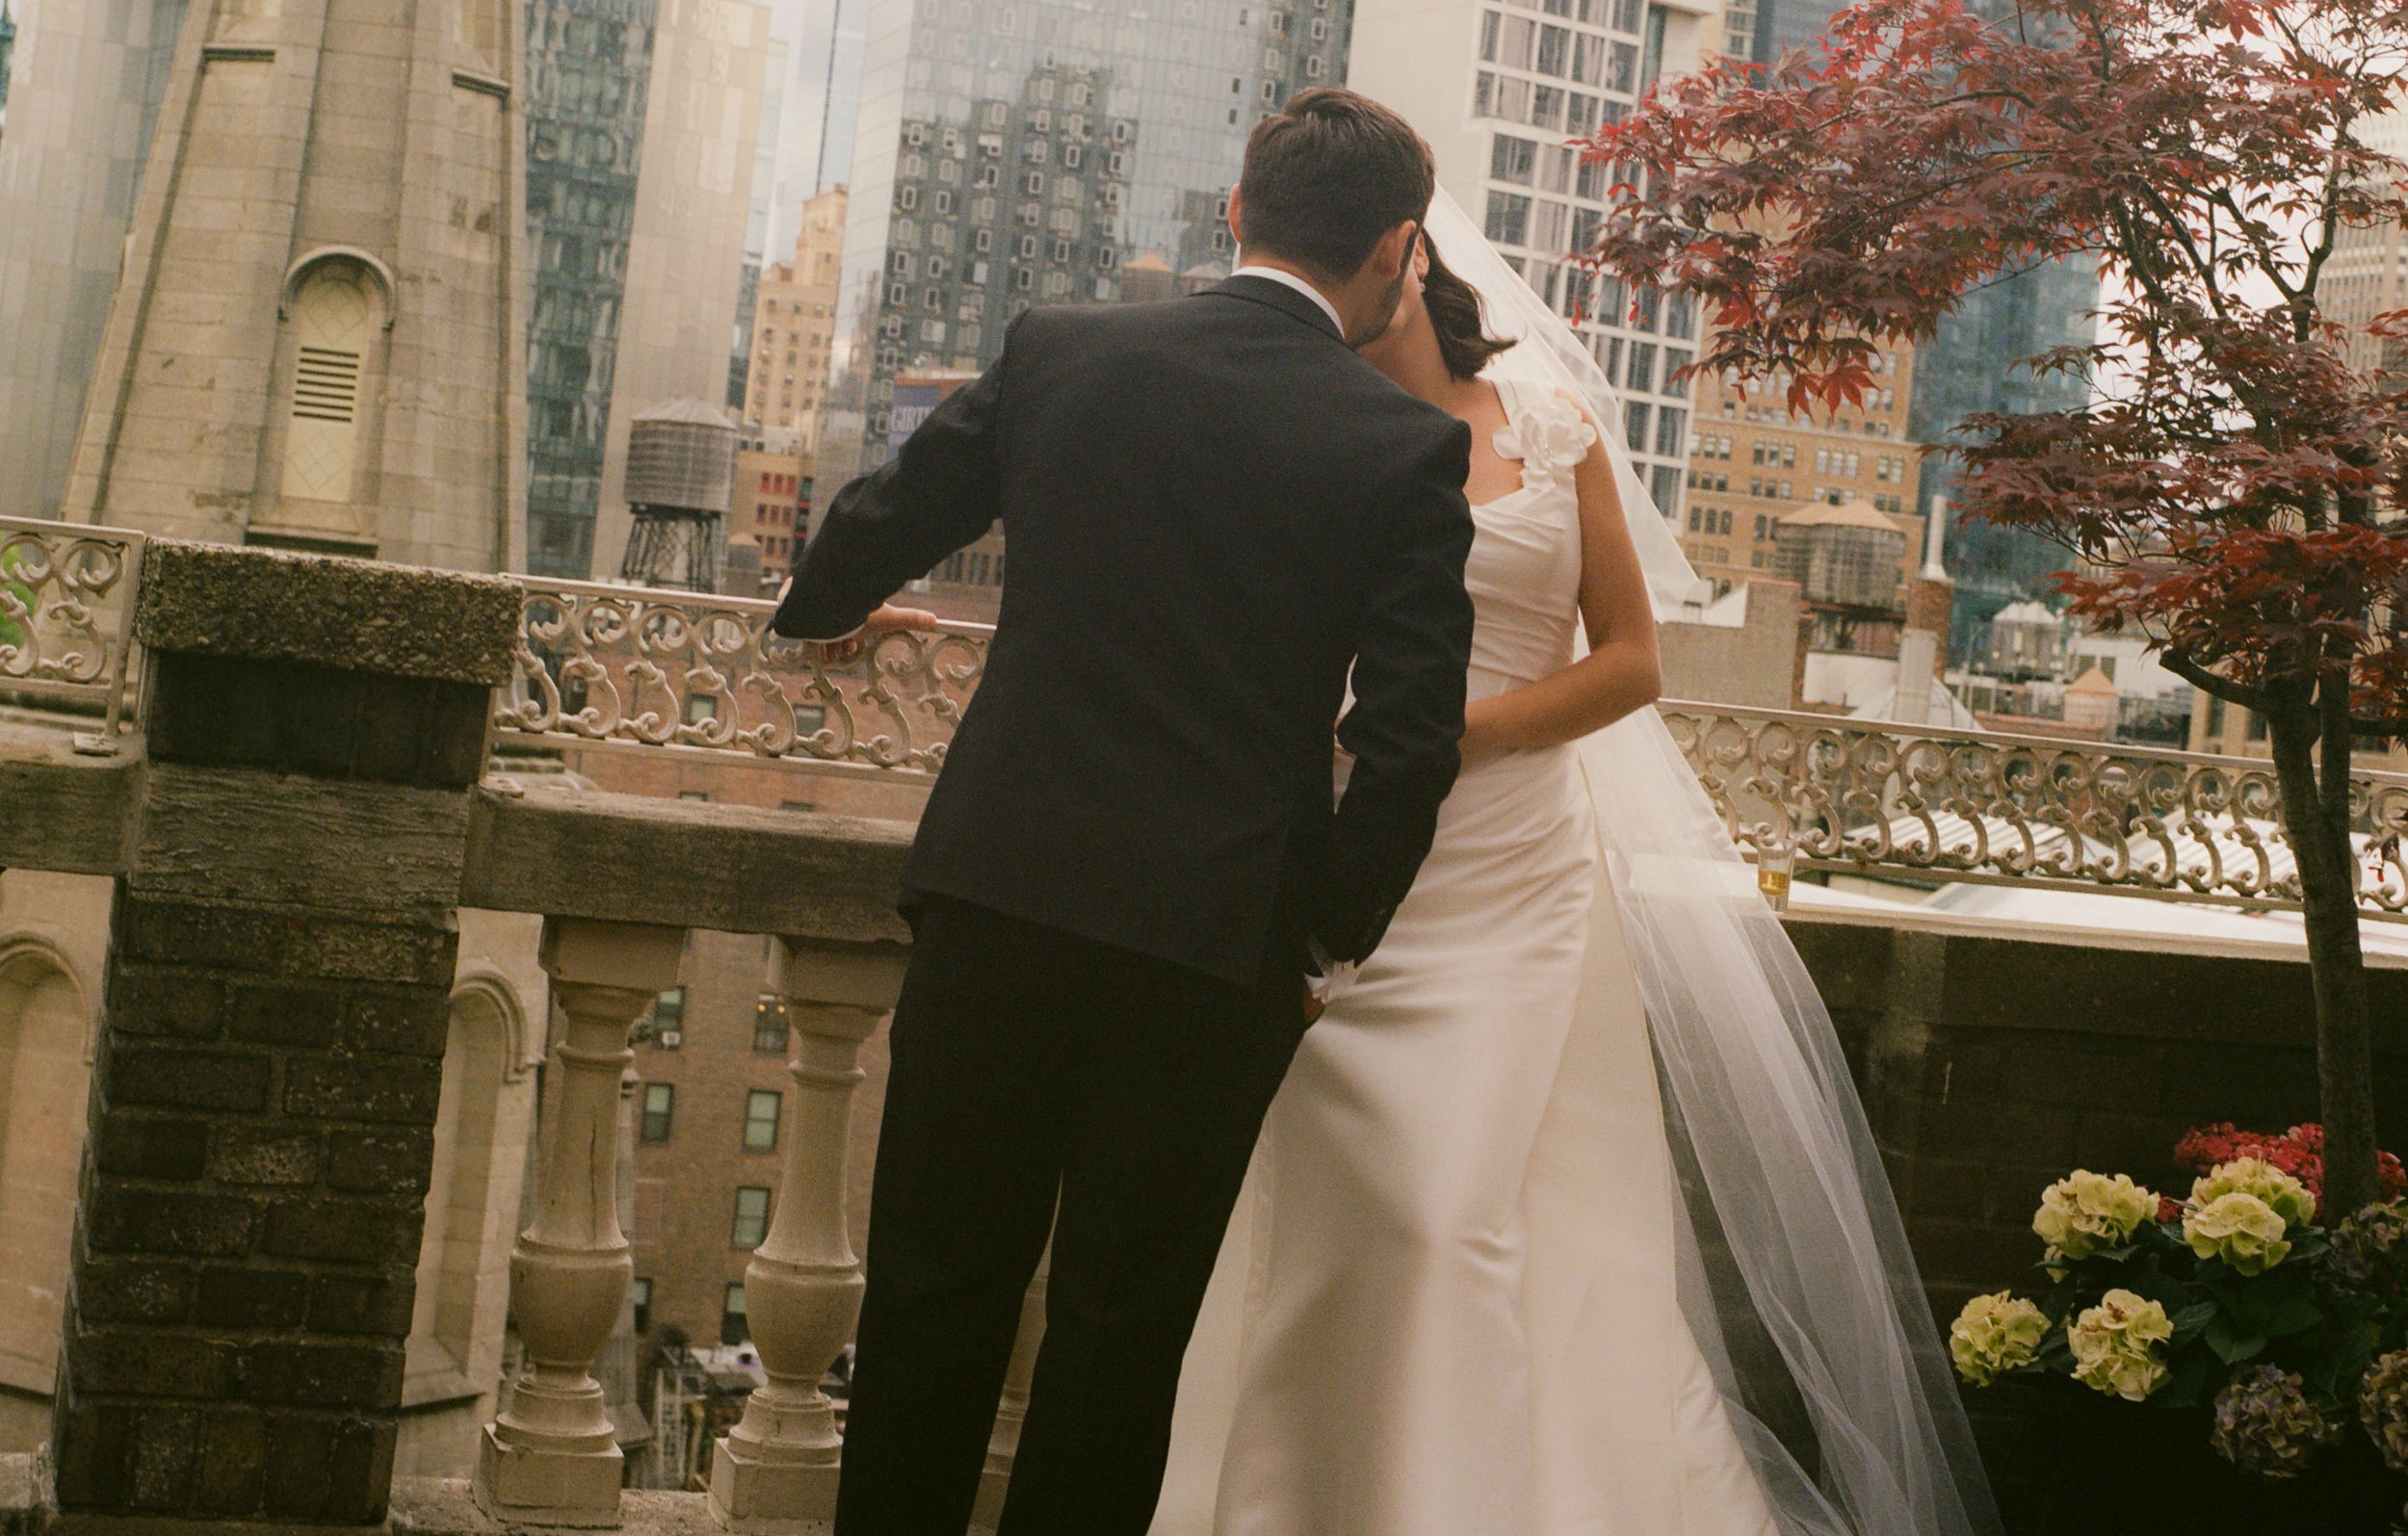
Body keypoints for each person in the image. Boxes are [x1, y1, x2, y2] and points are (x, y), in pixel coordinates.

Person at [1154, 195, 2002, 1536]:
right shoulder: (1302, 421)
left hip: (1507, 878)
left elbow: (1630, 662)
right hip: (1331, 874)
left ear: (1410, 260)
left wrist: (1440, 743)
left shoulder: (1547, 429)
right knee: (1331, 1203)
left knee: (1443, 1211)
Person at [770, 89, 1479, 1536]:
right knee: (1114, 1340)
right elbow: (1410, 744)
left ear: (1237, 211)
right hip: (1211, 951)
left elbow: (887, 518)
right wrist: (1322, 934)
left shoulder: (1066, 351)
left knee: (930, 1299)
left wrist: (816, 610)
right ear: (1400, 248)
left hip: (1001, 892)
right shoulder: (1402, 448)